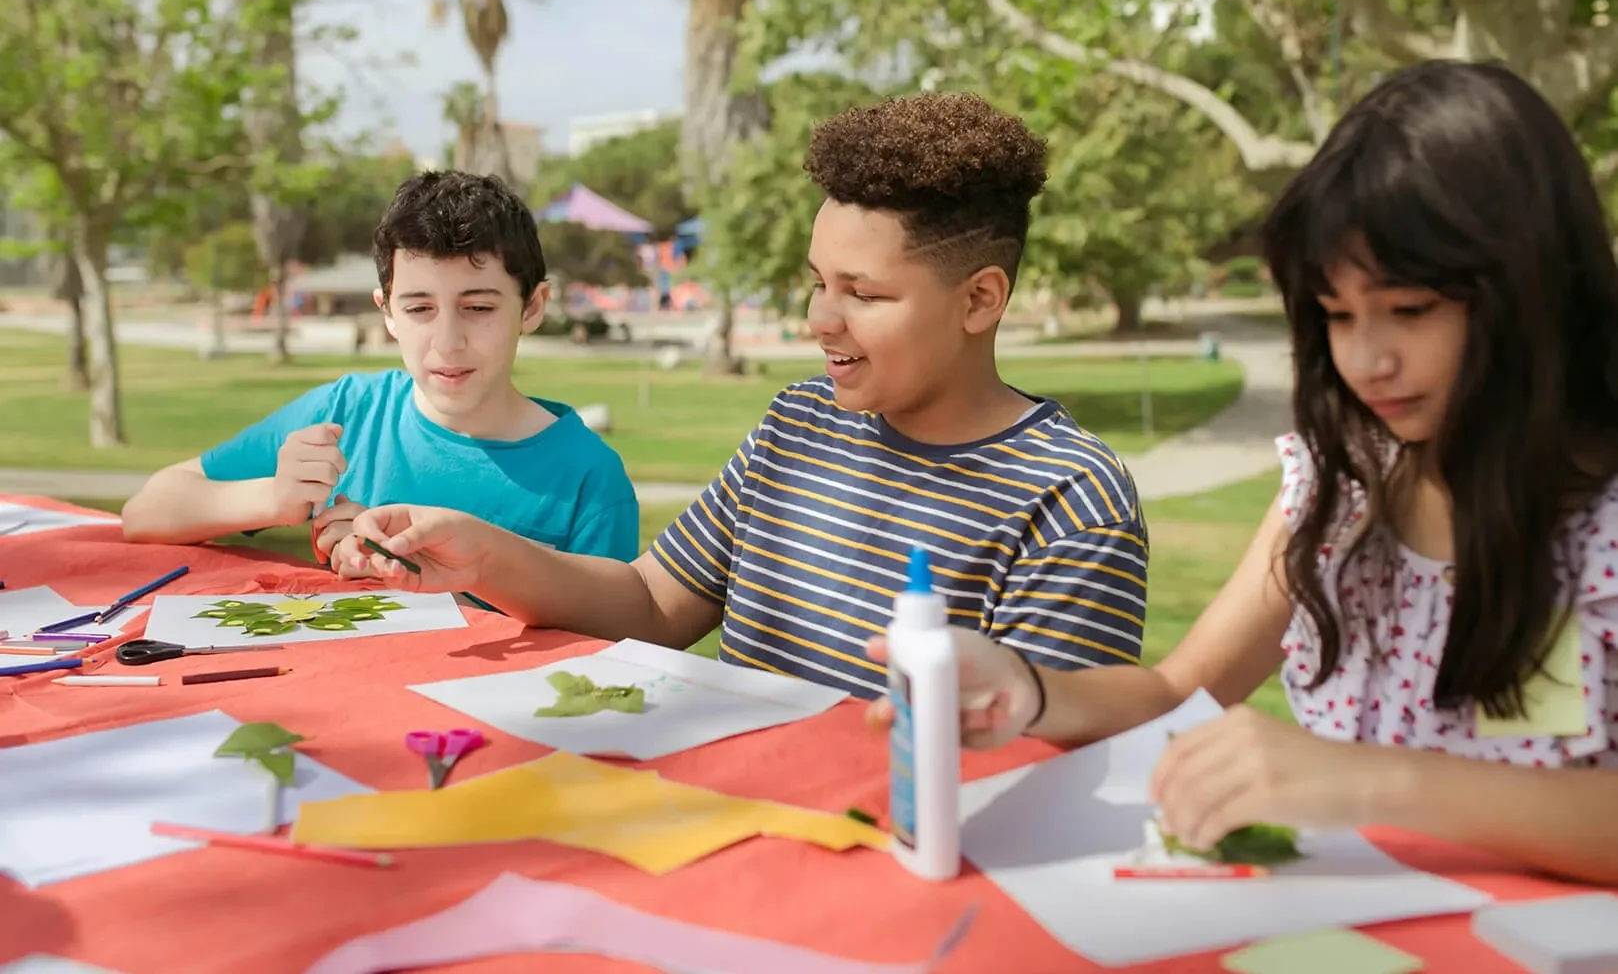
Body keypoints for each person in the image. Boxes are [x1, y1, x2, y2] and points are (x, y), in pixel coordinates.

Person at [864, 61, 1618, 885]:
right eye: (1336, 315)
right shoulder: (1344, 488)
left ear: (1531, 288)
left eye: (1409, 310)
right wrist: (1029, 690)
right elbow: (1179, 691)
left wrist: (1368, 781)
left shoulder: (1600, 528)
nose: (1368, 359)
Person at [346, 92, 1149, 698]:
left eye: (862, 294)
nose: (819, 320)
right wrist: (482, 553)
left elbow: (1041, 755)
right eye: (816, 283)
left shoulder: (1070, 499)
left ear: (980, 300)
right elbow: (653, 604)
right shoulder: (799, 425)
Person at [122, 171, 640, 573]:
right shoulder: (345, 413)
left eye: (478, 308)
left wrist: (423, 571)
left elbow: (606, 657)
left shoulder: (589, 480)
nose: (447, 340)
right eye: (419, 309)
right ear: (387, 312)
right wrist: (274, 500)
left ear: (532, 307)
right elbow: (144, 512)